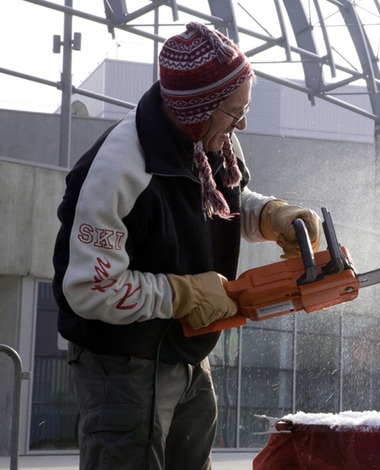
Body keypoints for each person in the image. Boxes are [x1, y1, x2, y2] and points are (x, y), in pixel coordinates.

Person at [52, 22, 321, 470]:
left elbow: (219, 201)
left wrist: (271, 216)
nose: (243, 122)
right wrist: (184, 294)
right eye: (235, 112)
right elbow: (88, 289)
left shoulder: (209, 141)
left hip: (186, 352)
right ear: (198, 108)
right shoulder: (116, 171)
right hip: (124, 364)